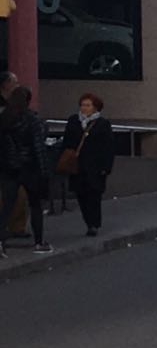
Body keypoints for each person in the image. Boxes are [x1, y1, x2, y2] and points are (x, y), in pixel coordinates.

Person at [0, 86, 53, 256]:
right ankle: (39, 242)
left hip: (9, 168)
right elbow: (39, 148)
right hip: (30, 167)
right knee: (35, 205)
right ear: (28, 100)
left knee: (7, 205)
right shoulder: (32, 119)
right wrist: (45, 172)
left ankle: (0, 242)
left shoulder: (4, 118)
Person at [59, 93, 115, 237]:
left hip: (95, 166)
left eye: (88, 105)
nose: (84, 108)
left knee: (94, 195)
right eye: (82, 105)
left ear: (95, 108)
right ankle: (88, 221)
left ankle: (94, 224)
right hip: (77, 165)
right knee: (81, 195)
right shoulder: (73, 121)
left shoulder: (102, 124)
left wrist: (106, 167)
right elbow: (67, 142)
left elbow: (108, 147)